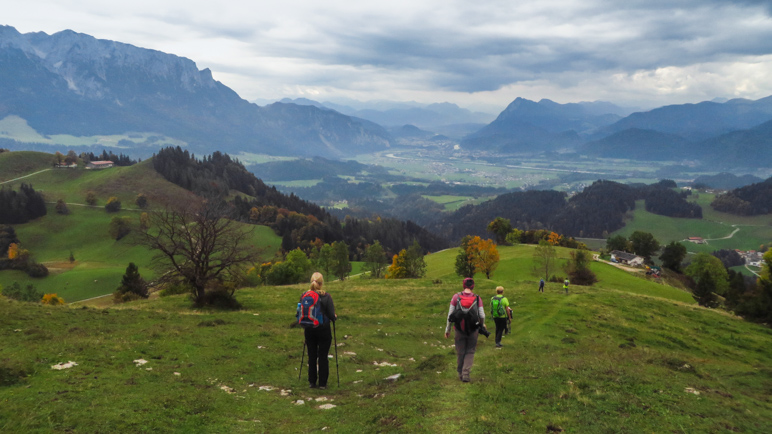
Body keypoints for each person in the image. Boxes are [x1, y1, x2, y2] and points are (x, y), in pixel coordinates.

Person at [444, 277, 486, 382]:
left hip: (459, 329)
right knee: (470, 351)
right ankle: (466, 373)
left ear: (463, 285)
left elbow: (450, 315)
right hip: (473, 330)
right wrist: (482, 325)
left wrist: (447, 330)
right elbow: (482, 315)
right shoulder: (477, 298)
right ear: (473, 286)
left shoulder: (456, 297)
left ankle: (460, 373)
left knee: (460, 351)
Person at [300, 272, 336, 389]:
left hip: (309, 329)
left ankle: (312, 382)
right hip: (323, 329)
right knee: (323, 356)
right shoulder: (326, 296)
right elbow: (331, 315)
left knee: (311, 355)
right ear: (321, 283)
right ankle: (322, 384)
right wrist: (334, 317)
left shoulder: (304, 295)